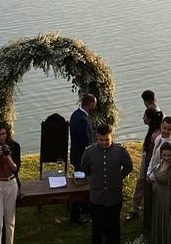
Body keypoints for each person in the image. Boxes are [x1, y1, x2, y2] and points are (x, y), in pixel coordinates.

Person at [81, 124, 134, 244]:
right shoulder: (89, 152)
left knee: (114, 226)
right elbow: (84, 167)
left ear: (112, 137)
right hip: (97, 196)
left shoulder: (120, 151)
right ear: (97, 137)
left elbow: (129, 166)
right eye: (101, 140)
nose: (104, 142)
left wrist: (119, 177)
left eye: (107, 140)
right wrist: (93, 179)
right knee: (97, 227)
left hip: (114, 196)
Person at [129, 90, 163, 221]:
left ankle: (135, 208)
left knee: (142, 181)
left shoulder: (154, 114)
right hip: (150, 152)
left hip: (151, 155)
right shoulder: (158, 112)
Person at [71, 94, 98, 223]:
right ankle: (76, 214)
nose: (95, 107)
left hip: (76, 155)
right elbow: (86, 142)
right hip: (82, 158)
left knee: (79, 182)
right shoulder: (83, 120)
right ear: (91, 104)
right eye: (94, 104)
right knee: (80, 186)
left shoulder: (75, 114)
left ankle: (83, 207)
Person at [148, 142, 171, 244]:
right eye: (164, 155)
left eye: (169, 155)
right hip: (159, 198)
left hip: (168, 199)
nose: (166, 158)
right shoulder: (161, 162)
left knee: (167, 223)